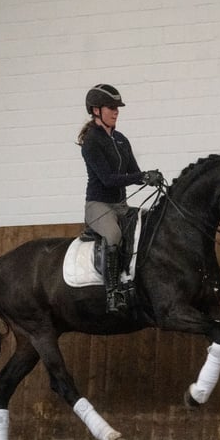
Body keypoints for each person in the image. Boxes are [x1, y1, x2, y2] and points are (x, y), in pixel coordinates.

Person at [77, 84, 162, 313]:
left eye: (117, 108)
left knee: (150, 221)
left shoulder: (121, 139)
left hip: (121, 205)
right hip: (99, 206)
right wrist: (140, 176)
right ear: (96, 110)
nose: (116, 112)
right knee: (113, 235)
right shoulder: (91, 142)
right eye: (111, 107)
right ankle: (112, 293)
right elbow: (107, 179)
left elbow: (133, 172)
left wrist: (148, 178)